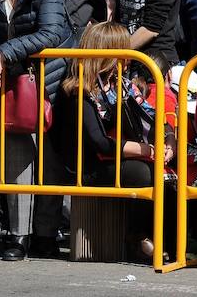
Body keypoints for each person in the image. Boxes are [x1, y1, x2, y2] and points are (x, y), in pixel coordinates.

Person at [0, 0, 71, 261]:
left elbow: (51, 32)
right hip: (11, 79)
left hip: (50, 77)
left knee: (49, 157)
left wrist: (2, 51)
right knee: (16, 153)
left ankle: (46, 235)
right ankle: (18, 236)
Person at [56, 22, 176, 261]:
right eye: (124, 49)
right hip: (87, 165)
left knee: (170, 177)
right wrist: (147, 150)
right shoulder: (79, 89)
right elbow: (99, 142)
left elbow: (153, 116)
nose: (129, 55)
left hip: (119, 155)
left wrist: (169, 142)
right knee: (143, 173)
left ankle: (174, 242)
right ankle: (137, 236)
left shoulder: (121, 84)